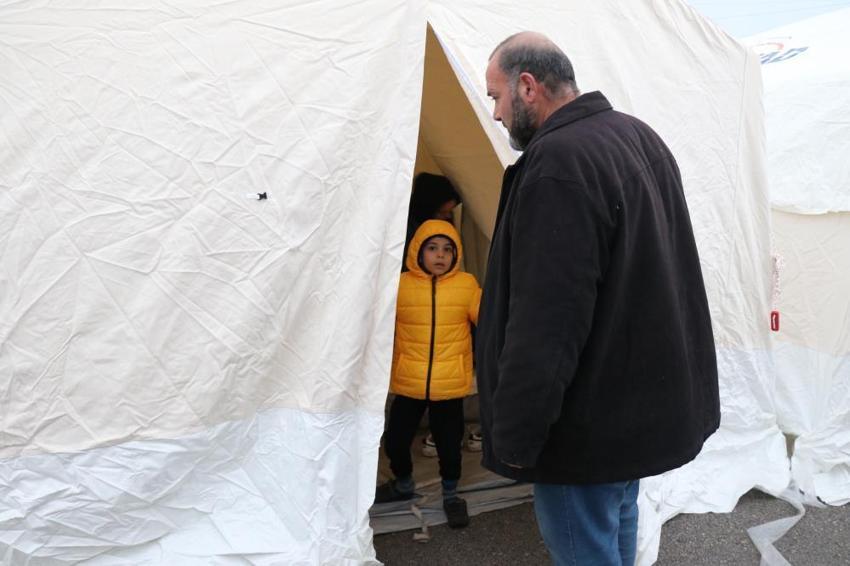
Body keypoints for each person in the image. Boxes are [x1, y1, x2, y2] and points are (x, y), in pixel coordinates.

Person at [476, 32, 720, 565]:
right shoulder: (637, 136)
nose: (494, 113)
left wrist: (516, 436)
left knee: (587, 549)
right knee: (618, 530)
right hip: (624, 413)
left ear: (527, 86)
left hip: (581, 428)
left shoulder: (559, 163)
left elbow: (547, 323)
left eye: (495, 96)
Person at [375, 219, 481, 529]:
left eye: (448, 249)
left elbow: (486, 315)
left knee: (449, 444)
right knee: (395, 440)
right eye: (432, 248)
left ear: (456, 253)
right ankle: (404, 482)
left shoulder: (466, 284)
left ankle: (451, 493)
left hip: (449, 384)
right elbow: (377, 322)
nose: (440, 255)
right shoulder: (400, 285)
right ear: (417, 251)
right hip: (409, 380)